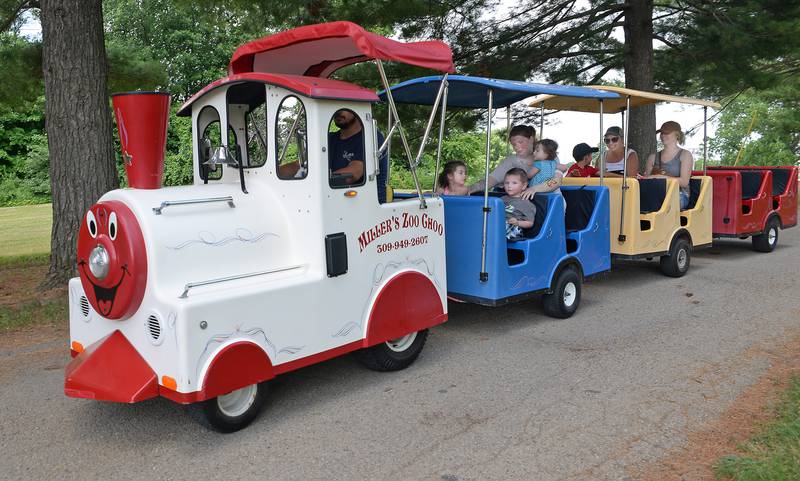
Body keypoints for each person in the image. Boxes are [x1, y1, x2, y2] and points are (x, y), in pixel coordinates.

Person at [468, 125, 539, 193]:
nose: (516, 147)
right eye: (514, 144)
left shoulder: (542, 160)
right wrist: (470, 188)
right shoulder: (511, 161)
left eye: (520, 142)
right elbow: (491, 180)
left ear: (531, 139)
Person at [644, 121, 693, 210]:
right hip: (656, 193)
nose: (663, 135)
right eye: (661, 133)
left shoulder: (685, 155)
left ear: (677, 135)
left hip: (679, 194)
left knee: (660, 203)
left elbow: (684, 182)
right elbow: (646, 180)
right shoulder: (652, 157)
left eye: (667, 133)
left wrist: (661, 177)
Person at [501, 168, 537, 240]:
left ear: (524, 186)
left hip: (514, 229)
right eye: (507, 183)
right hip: (499, 223)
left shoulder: (526, 204)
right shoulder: (501, 199)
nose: (509, 186)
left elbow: (530, 223)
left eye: (514, 183)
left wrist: (517, 222)